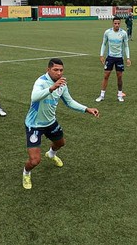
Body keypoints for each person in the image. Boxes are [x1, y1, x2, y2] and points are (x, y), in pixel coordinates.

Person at [23, 58, 100, 189]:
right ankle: (26, 173)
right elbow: (34, 97)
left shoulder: (62, 84)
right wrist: (52, 88)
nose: (59, 73)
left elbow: (69, 102)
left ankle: (51, 154)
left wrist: (87, 109)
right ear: (48, 70)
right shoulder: (41, 82)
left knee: (60, 143)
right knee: (35, 160)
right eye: (55, 70)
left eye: (61, 70)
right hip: (34, 124)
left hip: (50, 122)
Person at [96, 16, 131, 102]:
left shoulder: (123, 33)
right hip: (110, 57)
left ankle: (119, 95)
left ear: (120, 24)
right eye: (115, 23)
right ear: (112, 23)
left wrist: (128, 58)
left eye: (118, 23)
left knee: (119, 77)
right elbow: (104, 44)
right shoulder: (107, 32)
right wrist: (101, 55)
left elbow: (126, 46)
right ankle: (102, 95)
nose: (117, 25)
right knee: (106, 76)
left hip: (119, 58)